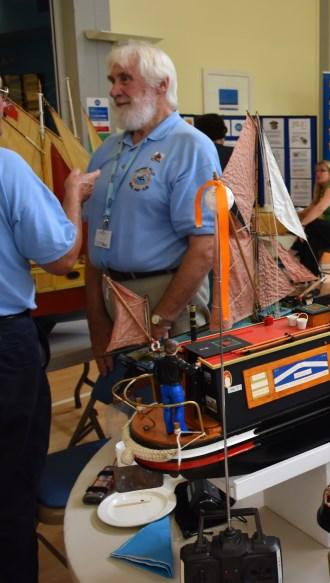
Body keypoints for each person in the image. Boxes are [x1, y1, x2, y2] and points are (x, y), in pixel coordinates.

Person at [0, 81, 100, 583]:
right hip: (5, 344)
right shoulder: (7, 166)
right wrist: (72, 195)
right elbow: (61, 257)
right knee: (11, 482)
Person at [83, 41, 221, 377]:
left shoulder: (190, 147)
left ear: (162, 85)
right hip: (111, 294)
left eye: (125, 79)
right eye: (112, 80)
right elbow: (94, 242)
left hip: (167, 296)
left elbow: (205, 247)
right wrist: (97, 320)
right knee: (126, 394)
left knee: (173, 397)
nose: (114, 91)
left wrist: (162, 317)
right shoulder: (107, 150)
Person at [154, 338, 198, 434]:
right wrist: (197, 365)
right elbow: (190, 370)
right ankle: (182, 430)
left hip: (164, 388)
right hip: (175, 389)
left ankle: (169, 430)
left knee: (167, 409)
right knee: (179, 408)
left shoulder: (159, 361)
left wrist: (160, 383)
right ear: (176, 349)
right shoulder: (178, 361)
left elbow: (155, 374)